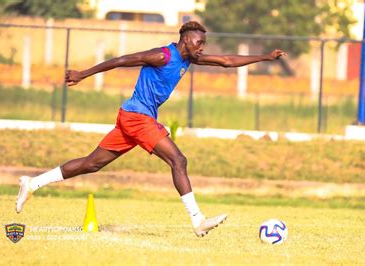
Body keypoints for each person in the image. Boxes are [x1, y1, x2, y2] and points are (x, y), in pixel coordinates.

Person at [16, 21, 286, 237]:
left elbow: (227, 61)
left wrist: (266, 57)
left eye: (204, 43)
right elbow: (122, 60)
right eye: (199, 42)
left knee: (91, 164)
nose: (203, 47)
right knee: (178, 160)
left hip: (132, 117)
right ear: (185, 40)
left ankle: (34, 183)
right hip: (137, 118)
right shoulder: (162, 55)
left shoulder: (188, 59)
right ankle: (197, 220)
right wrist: (83, 74)